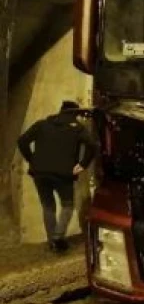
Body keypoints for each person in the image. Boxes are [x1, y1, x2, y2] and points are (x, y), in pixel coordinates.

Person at [17, 101, 98, 252]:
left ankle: (51, 242)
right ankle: (58, 237)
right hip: (63, 174)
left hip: (39, 173)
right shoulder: (77, 128)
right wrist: (83, 164)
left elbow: (22, 141)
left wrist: (32, 159)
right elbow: (92, 145)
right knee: (67, 205)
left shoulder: (42, 124)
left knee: (48, 206)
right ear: (74, 114)